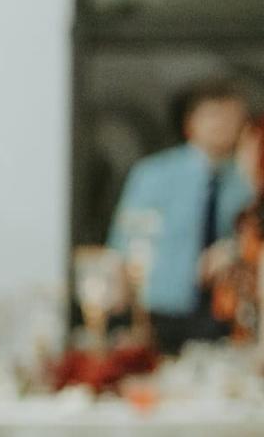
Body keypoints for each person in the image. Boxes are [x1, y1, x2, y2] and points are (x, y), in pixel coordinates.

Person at [109, 77, 255, 351]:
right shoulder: (154, 175)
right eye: (214, 115)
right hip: (162, 308)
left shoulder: (247, 182)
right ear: (191, 123)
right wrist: (123, 309)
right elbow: (126, 242)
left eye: (231, 117)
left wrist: (232, 251)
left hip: (224, 312)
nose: (223, 125)